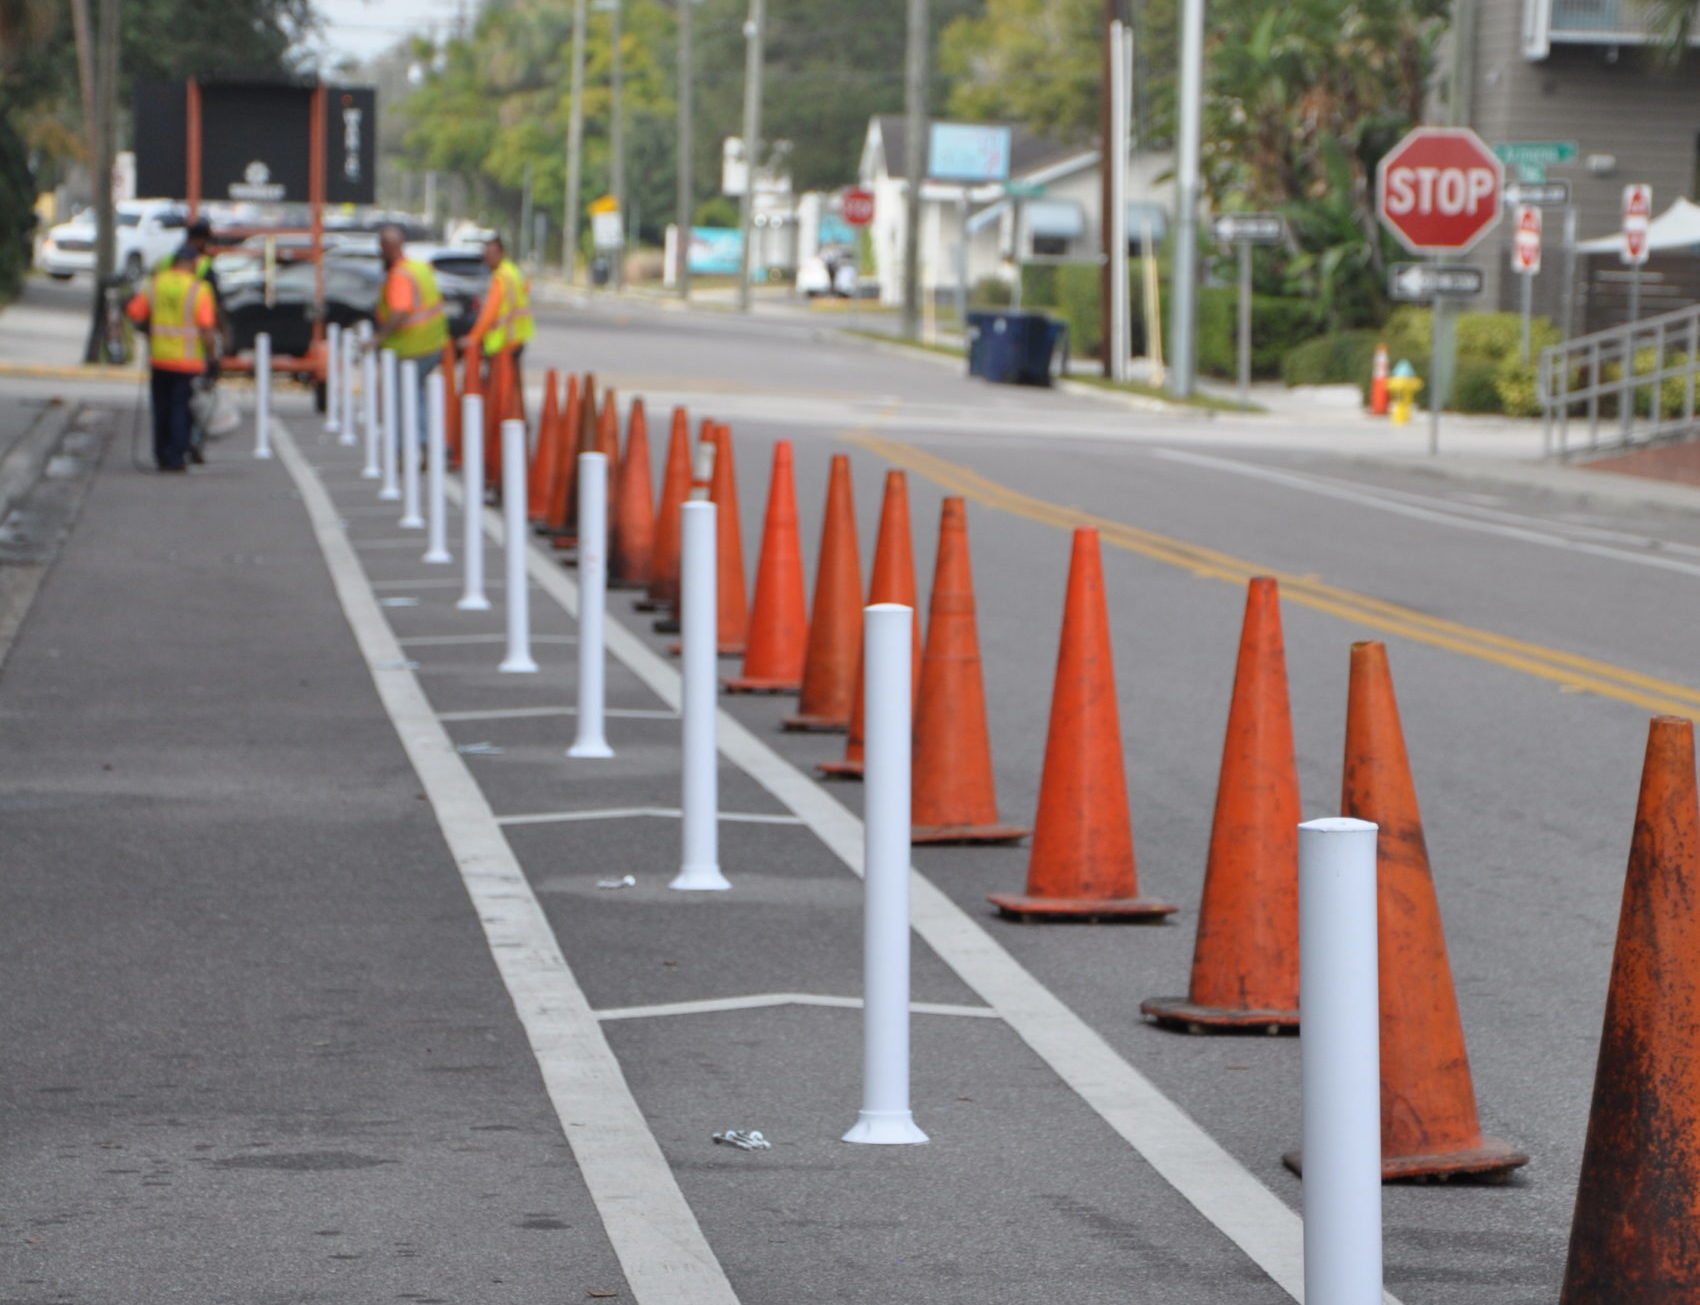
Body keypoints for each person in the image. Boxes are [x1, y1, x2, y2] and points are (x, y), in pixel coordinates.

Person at [126, 244, 217, 473]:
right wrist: (213, 357)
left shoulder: (156, 283)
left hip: (159, 358)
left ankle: (161, 454)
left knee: (161, 408)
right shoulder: (199, 289)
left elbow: (135, 312)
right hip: (187, 361)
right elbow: (206, 329)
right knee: (181, 409)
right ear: (190, 263)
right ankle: (177, 457)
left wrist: (148, 327)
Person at [371, 224, 449, 446]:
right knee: (418, 395)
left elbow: (401, 310)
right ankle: (427, 441)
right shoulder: (420, 268)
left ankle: (416, 443)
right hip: (432, 344)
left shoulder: (399, 275)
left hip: (411, 348)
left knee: (405, 398)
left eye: (381, 246)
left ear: (388, 247)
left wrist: (379, 337)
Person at [468, 233, 533, 421]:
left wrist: (473, 338)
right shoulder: (513, 271)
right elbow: (525, 290)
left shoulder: (501, 277)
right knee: (513, 389)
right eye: (486, 253)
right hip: (517, 339)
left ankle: (503, 422)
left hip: (503, 343)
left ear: (501, 253)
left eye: (491, 253)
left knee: (500, 391)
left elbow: (489, 314)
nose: (488, 258)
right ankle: (517, 420)